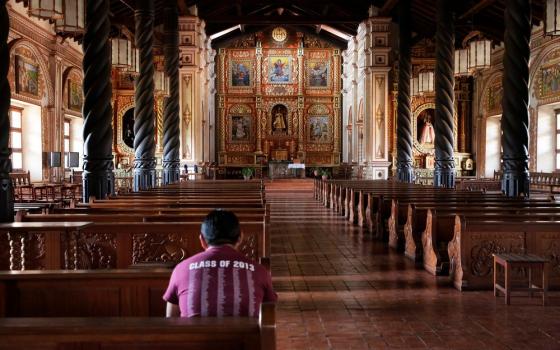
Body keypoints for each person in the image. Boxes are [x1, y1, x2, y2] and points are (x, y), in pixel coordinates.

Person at [163, 209, 277, 317]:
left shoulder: (181, 269)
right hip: (244, 338)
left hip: (193, 337)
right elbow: (269, 310)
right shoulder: (259, 271)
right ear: (240, 238)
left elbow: (170, 318)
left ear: (202, 240)